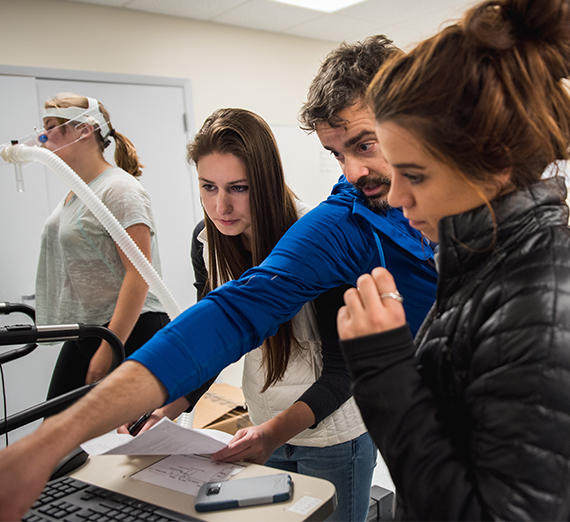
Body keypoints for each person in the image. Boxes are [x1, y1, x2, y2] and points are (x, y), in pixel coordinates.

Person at [0, 36, 438, 520]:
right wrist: (50, 440)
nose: (355, 171)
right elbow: (232, 313)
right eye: (336, 153)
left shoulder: (494, 207)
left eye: (364, 144)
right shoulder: (347, 224)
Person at [337, 1, 570, 519]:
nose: (396, 197)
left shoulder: (538, 306)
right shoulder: (486, 261)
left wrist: (382, 368)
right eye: (394, 171)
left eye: (415, 175)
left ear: (493, 166)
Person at [134, 107, 375, 521]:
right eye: (208, 187)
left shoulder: (320, 239)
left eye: (238, 188)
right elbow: (215, 340)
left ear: (264, 182)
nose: (221, 205)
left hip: (332, 438)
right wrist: (168, 407)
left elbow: (346, 370)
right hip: (263, 428)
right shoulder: (207, 242)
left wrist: (273, 432)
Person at [37, 93, 168, 397]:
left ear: (84, 129)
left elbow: (139, 273)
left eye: (52, 126)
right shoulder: (77, 192)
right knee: (58, 431)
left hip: (130, 329)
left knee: (133, 439)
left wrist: (110, 347)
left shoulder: (119, 189)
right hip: (88, 329)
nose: (42, 137)